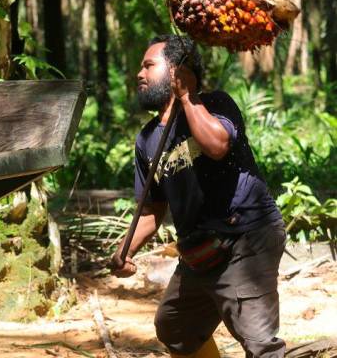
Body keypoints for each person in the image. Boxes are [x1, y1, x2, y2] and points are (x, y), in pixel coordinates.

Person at [110, 35, 287, 358]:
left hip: (244, 238)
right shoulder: (147, 139)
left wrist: (188, 98)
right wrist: (125, 251)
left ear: (177, 71)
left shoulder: (216, 104)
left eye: (149, 66)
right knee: (175, 326)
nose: (140, 73)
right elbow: (152, 209)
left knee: (261, 345)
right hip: (201, 251)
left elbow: (217, 146)